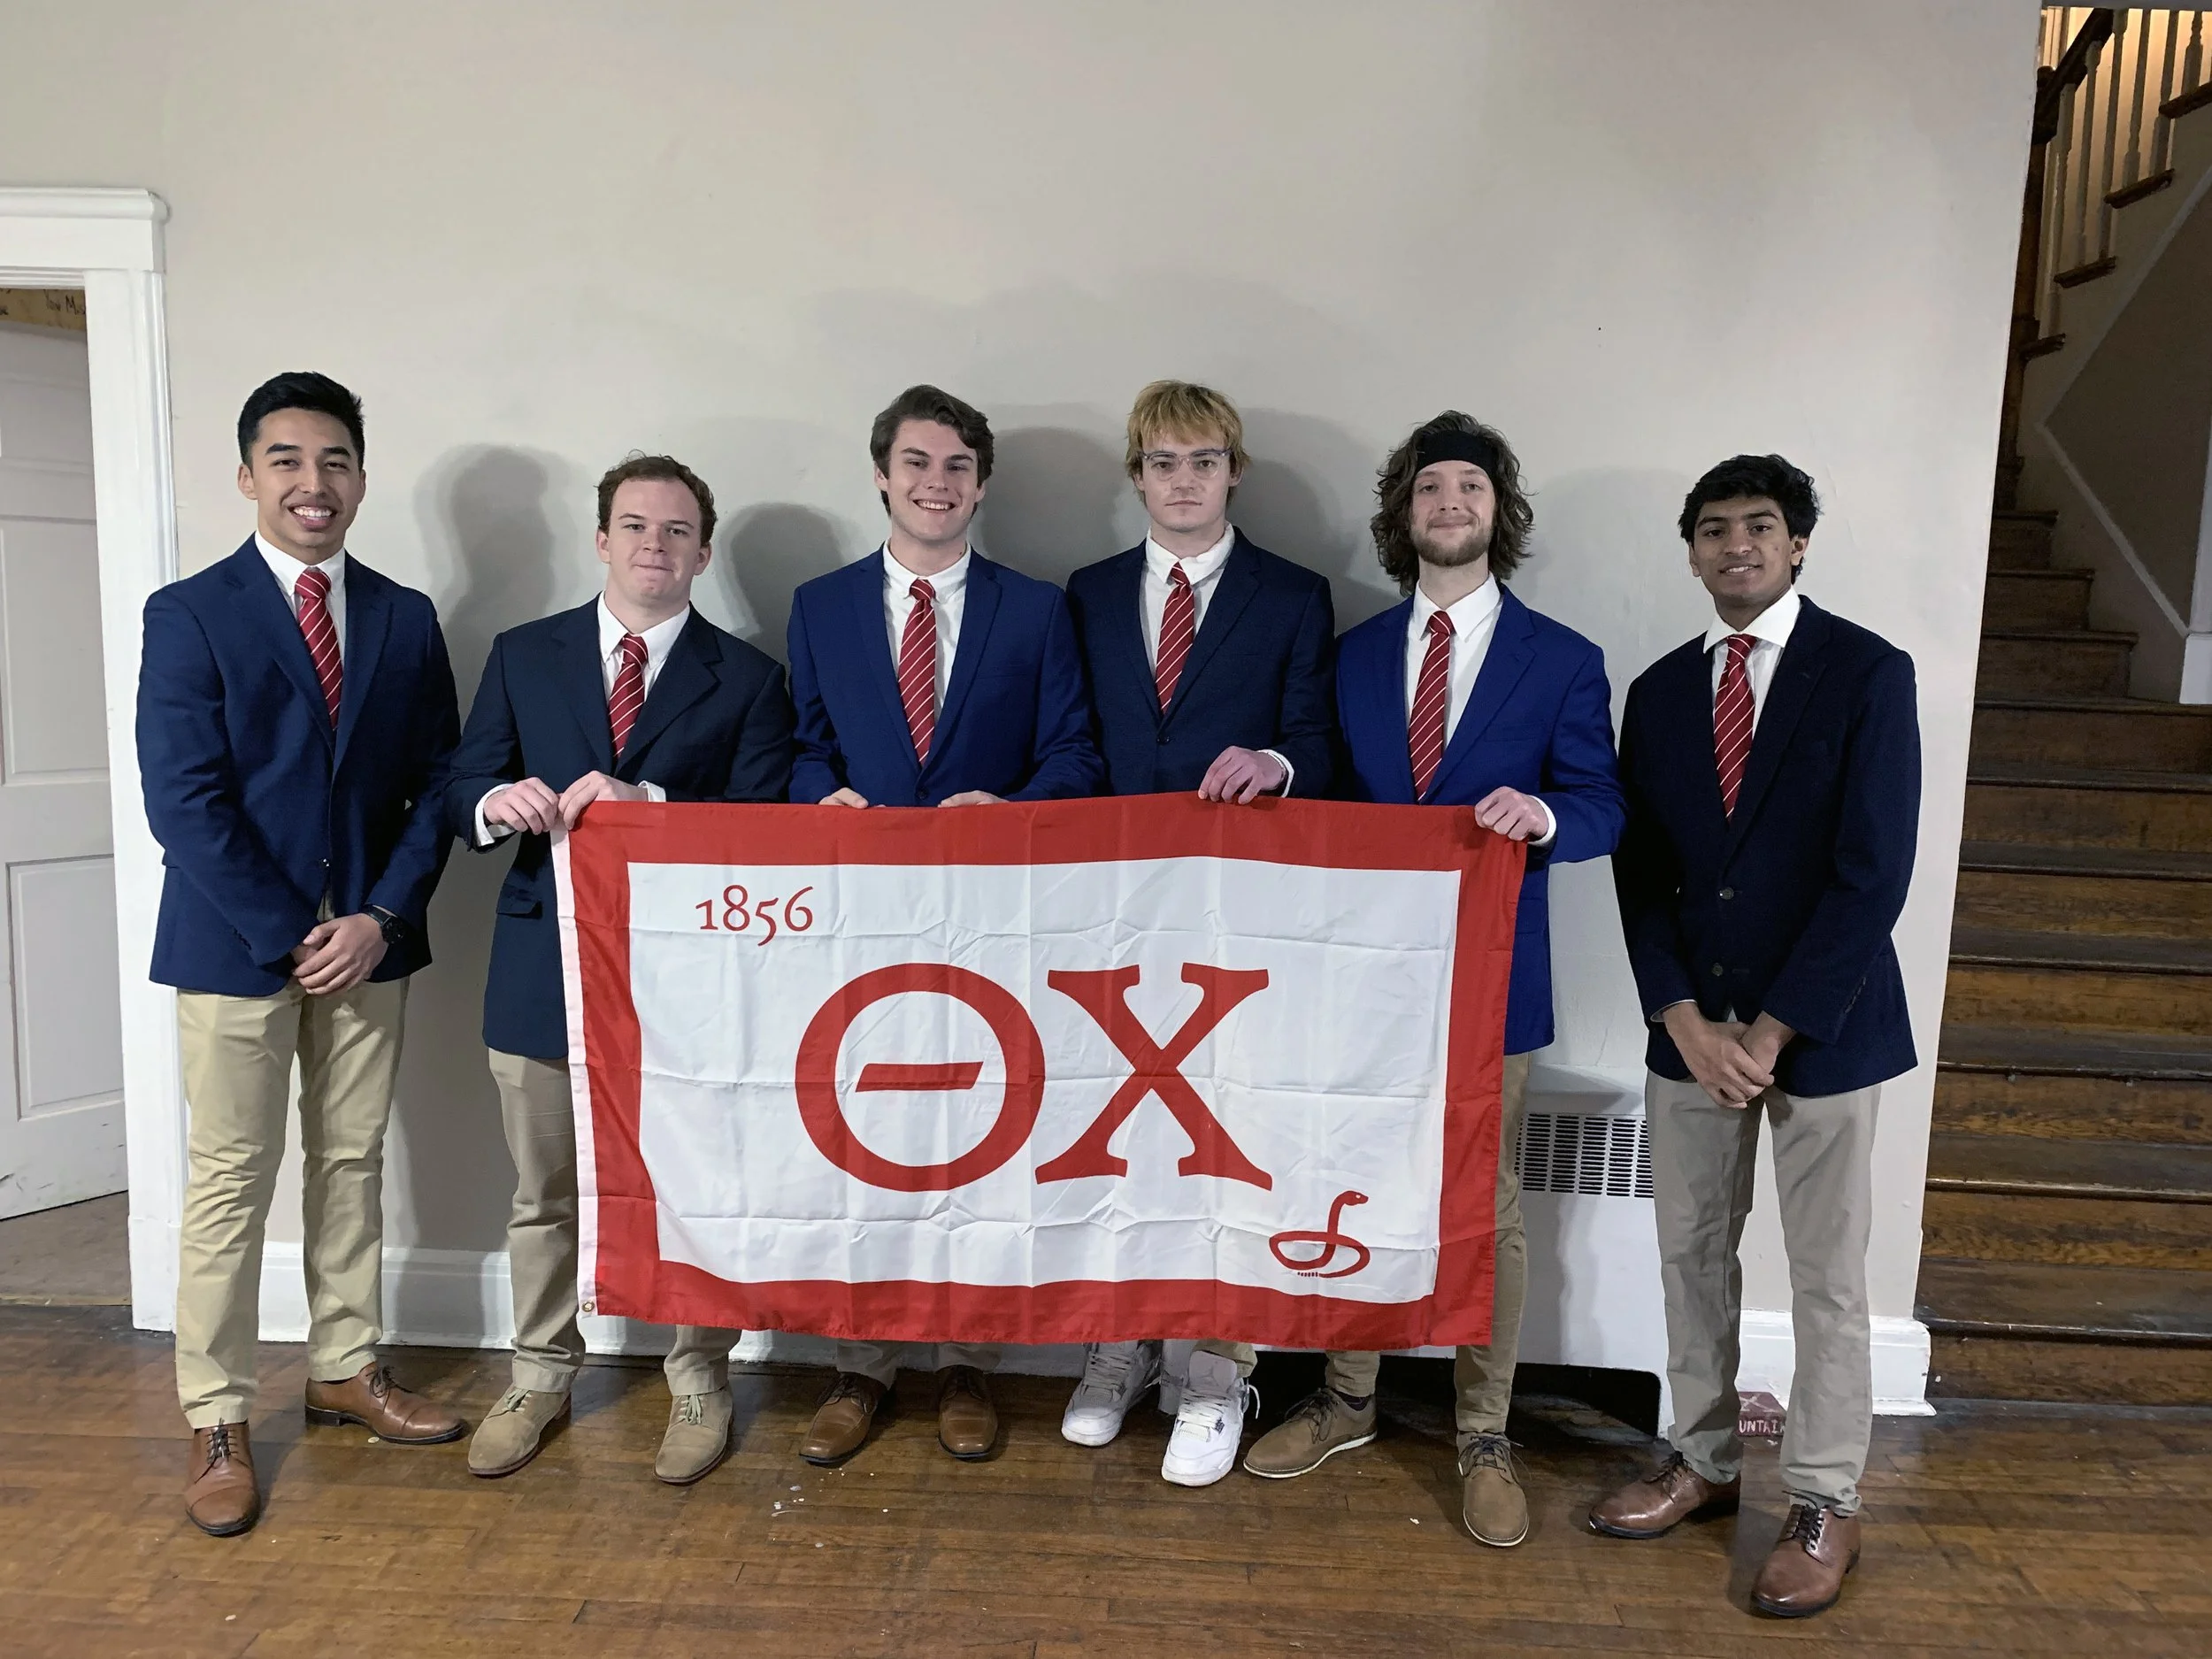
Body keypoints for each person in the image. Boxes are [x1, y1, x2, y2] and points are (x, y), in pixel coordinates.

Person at [1240, 411, 1623, 1549]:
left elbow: (1604, 805)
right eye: (1427, 490)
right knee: (1353, 1182)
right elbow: (1322, 780)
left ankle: (1483, 1430)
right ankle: (1349, 1398)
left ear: (1496, 512)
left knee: (1487, 1207)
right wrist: (1277, 764)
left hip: (1497, 982)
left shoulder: (1564, 659)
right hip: (1364, 985)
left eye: (1469, 486)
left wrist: (1548, 814)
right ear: (1401, 518)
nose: (1448, 504)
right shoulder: (1354, 652)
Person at [1591, 455, 1918, 1619]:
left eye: (1762, 526)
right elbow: (1644, 875)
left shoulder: (1869, 672)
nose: (1738, 544)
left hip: (1821, 1030)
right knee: (1688, 1250)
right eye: (1715, 528)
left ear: (1799, 544)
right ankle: (1704, 1456)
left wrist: (1771, 1029)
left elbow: (1872, 870)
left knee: (1828, 1275)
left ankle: (1825, 1496)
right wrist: (1682, 1015)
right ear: (1691, 549)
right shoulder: (1663, 689)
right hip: (1691, 1024)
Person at [139, 372, 463, 1537]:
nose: (311, 482)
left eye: (333, 461)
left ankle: (344, 1367)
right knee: (231, 1181)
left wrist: (376, 913)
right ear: (247, 477)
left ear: (362, 480)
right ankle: (217, 1411)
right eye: (285, 460)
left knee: (352, 1163)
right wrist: (292, 931)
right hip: (237, 947)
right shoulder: (189, 613)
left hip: (372, 942)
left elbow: (439, 784)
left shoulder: (405, 615)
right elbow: (184, 800)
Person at [446, 454, 795, 1486]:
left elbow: (766, 835)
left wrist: (648, 803)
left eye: (678, 530)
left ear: (703, 550)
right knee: (543, 1188)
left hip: (688, 985)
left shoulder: (753, 680)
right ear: (601, 540)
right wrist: (492, 802)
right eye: (636, 526)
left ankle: (698, 1376)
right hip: (539, 959)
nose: (656, 545)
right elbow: (462, 780)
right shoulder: (523, 653)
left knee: (690, 1184)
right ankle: (539, 1373)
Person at [785, 383, 1101, 1464]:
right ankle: (860, 1366)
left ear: (981, 483)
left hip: (992, 923)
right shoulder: (820, 605)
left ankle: (968, 1360)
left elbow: (1076, 755)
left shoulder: (1038, 608)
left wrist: (1010, 814)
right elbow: (799, 747)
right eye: (917, 462)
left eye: (958, 466)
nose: (936, 482)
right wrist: (816, 796)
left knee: (980, 1140)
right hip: (860, 924)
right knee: (866, 1141)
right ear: (882, 474)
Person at [1058, 380, 1335, 1486]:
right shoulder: (1080, 595)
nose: (1184, 481)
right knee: (1112, 1132)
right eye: (1163, 463)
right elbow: (1067, 740)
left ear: (1235, 472)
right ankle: (1117, 1346)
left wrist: (1278, 764)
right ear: (1137, 475)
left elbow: (1317, 737)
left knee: (1220, 1142)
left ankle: (1215, 1375)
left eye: (1205, 461)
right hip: (1106, 913)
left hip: (1234, 919)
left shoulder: (1294, 595)